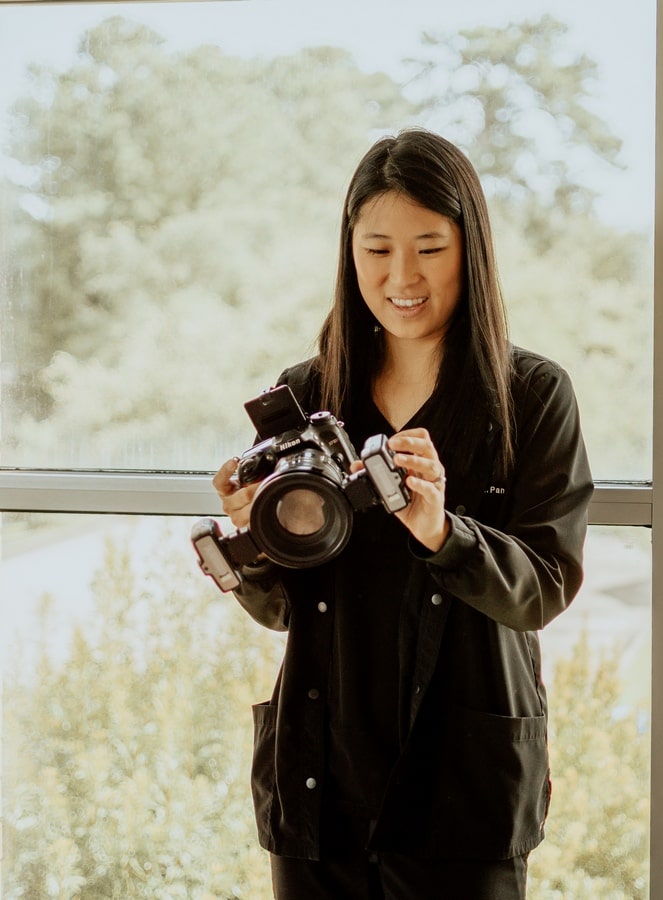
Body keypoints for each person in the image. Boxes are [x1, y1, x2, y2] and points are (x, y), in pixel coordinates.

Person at [212, 128, 593, 900]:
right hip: (322, 781)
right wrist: (256, 539)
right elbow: (287, 610)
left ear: (470, 251)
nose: (401, 276)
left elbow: (545, 587)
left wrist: (443, 530)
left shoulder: (531, 396)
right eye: (376, 249)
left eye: (429, 247)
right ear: (349, 255)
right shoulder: (307, 395)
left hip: (463, 785)